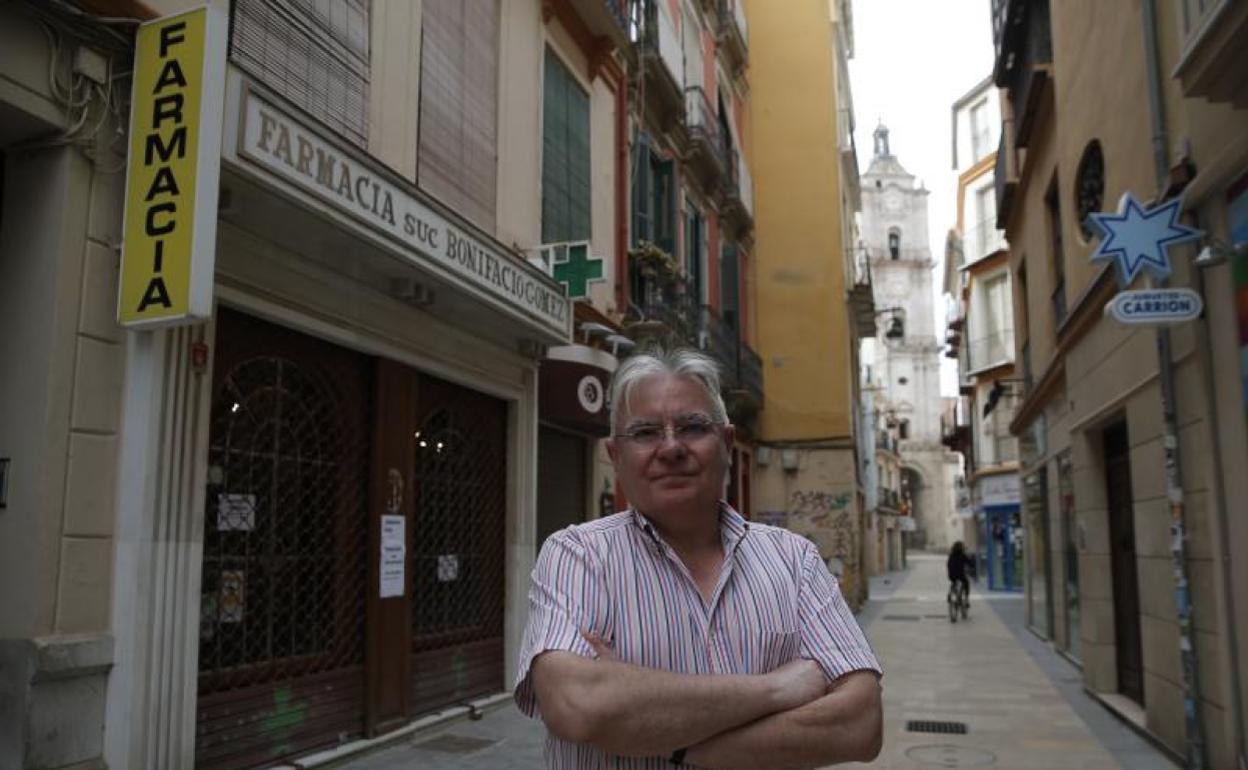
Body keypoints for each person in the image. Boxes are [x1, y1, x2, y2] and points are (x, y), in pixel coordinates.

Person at [515, 348, 883, 769]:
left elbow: (861, 724)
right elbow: (578, 704)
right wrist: (779, 689)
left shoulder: (795, 559)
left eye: (692, 427)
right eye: (645, 433)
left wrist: (665, 736)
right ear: (615, 457)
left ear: (726, 443)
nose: (671, 448)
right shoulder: (577, 555)